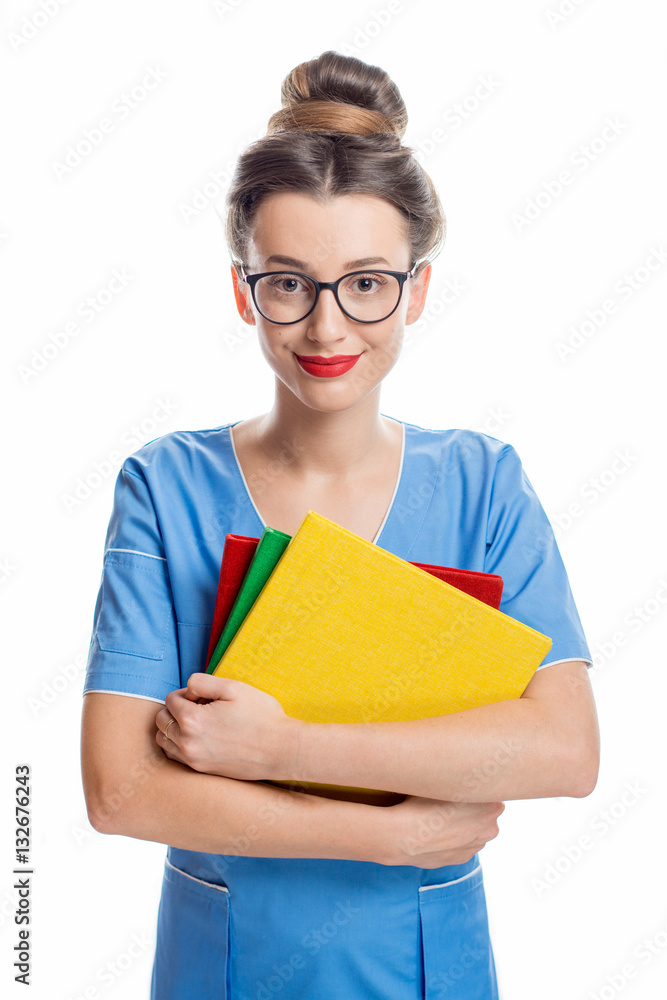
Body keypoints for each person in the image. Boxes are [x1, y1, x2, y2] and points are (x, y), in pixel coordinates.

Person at [80, 49, 599, 1000]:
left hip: (429, 966)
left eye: (366, 283)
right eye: (289, 283)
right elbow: (119, 793)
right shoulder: (165, 485)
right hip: (222, 966)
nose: (327, 329)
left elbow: (564, 753)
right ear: (243, 289)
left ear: (418, 287)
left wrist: (283, 751)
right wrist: (392, 831)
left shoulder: (482, 484)